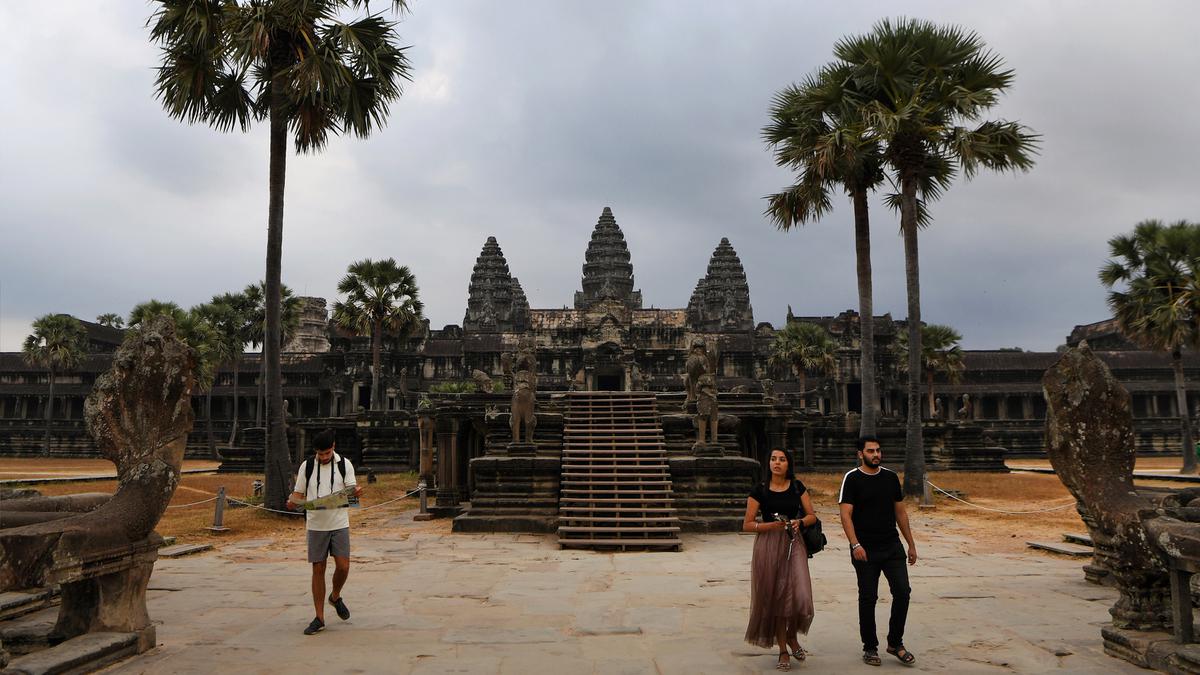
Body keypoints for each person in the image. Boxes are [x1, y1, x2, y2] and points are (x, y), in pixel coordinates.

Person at [838, 436, 918, 666]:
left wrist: (910, 543)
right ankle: (870, 647)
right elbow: (846, 515)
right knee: (868, 598)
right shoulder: (851, 479)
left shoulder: (890, 477)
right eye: (871, 451)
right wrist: (855, 544)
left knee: (903, 592)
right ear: (860, 454)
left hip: (892, 546)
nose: (876, 455)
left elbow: (900, 513)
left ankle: (895, 642)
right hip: (865, 549)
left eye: (878, 450)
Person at [743, 448, 817, 671]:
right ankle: (784, 649)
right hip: (768, 546)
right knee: (777, 598)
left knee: (800, 595)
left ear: (788, 464)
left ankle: (792, 635)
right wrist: (768, 526)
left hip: (794, 543)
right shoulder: (760, 490)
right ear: (768, 464)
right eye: (773, 459)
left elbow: (812, 515)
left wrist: (800, 522)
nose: (777, 463)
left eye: (782, 459)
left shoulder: (797, 486)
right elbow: (746, 524)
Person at [287, 429, 363, 635]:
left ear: (334, 448)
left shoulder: (344, 464)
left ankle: (335, 596)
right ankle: (319, 617)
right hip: (315, 524)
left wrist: (356, 492)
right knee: (318, 568)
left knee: (343, 566)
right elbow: (298, 492)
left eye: (327, 453)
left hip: (339, 522)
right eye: (320, 454)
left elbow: (352, 492)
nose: (323, 458)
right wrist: (292, 502)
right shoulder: (308, 466)